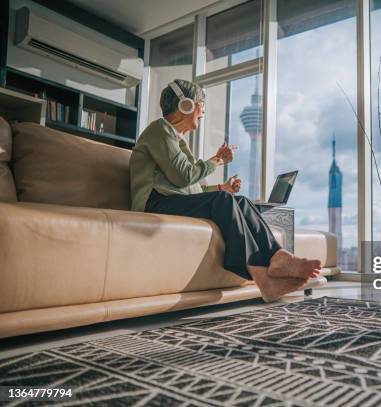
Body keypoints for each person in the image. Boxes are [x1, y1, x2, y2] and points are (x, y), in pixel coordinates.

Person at [129, 79, 321, 302]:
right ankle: (263, 278)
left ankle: (278, 256)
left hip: (170, 199)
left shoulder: (175, 139)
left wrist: (222, 188)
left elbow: (191, 188)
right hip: (155, 203)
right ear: (186, 105)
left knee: (240, 201)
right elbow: (183, 176)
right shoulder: (159, 130)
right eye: (201, 105)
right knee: (224, 200)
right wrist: (218, 159)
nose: (203, 112)